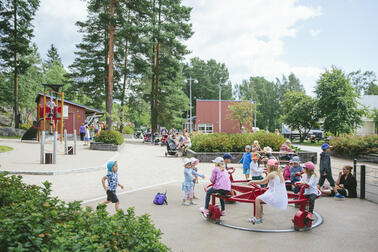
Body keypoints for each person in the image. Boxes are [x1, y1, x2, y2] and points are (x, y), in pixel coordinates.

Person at [248, 159, 288, 224]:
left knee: (257, 199)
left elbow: (263, 181)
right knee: (261, 198)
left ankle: (257, 218)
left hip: (275, 194)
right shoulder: (278, 173)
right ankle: (259, 217)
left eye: (268, 166)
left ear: (270, 166)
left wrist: (252, 182)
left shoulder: (272, 174)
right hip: (279, 194)